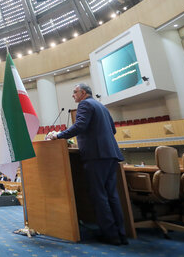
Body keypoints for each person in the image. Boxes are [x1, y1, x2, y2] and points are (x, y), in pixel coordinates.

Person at [45, 83, 127, 246]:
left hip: (96, 155)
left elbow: (80, 125)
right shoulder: (100, 106)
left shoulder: (85, 104)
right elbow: (113, 130)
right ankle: (121, 234)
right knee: (111, 195)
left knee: (99, 196)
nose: (73, 95)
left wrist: (59, 135)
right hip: (111, 155)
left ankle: (110, 235)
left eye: (74, 92)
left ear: (83, 92)